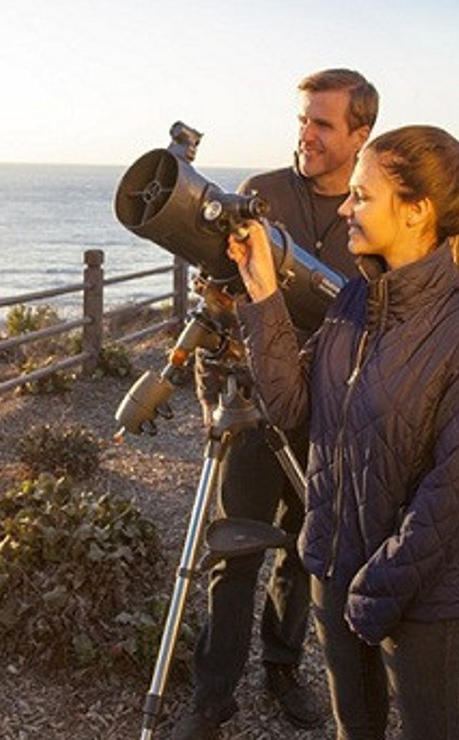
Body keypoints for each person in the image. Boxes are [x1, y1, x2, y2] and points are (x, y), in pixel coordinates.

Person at [227, 125, 459, 740]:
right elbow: (294, 408)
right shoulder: (355, 300)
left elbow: (457, 487)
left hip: (419, 596)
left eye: (361, 196)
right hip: (335, 568)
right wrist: (261, 295)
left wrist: (377, 590)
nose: (343, 207)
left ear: (416, 211)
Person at [171, 68, 379, 739]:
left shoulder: (371, 209)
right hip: (255, 396)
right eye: (302, 121)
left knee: (304, 548)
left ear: (360, 133)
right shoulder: (261, 192)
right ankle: (211, 697)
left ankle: (283, 667)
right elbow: (225, 283)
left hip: (330, 412)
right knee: (234, 549)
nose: (306, 135)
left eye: (322, 124)